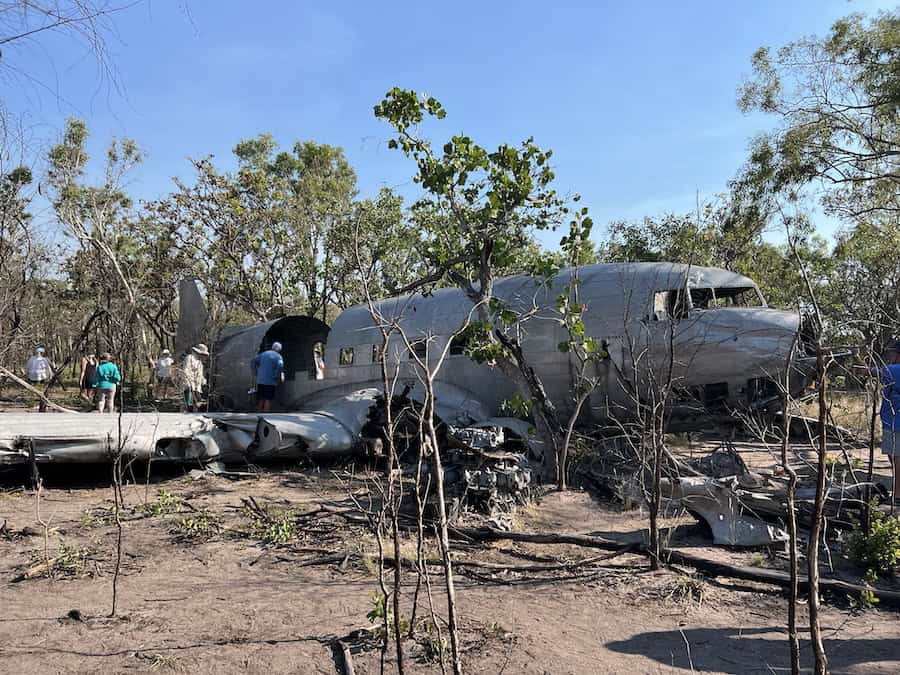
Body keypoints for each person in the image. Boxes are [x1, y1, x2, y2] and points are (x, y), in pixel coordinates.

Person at [252, 341, 284, 412]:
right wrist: (276, 375)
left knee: (261, 398)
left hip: (260, 380)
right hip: (271, 381)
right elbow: (280, 366)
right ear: (279, 349)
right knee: (268, 399)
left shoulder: (263, 354)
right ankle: (266, 416)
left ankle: (258, 415)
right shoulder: (278, 357)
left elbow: (253, 361)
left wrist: (256, 372)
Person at [24, 346, 53, 412]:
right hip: (42, 377)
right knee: (42, 388)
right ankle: (41, 400)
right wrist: (50, 376)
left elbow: (27, 368)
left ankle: (38, 400)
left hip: (33, 377)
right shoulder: (45, 359)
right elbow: (49, 369)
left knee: (37, 388)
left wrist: (26, 375)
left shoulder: (32, 358)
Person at [182, 344, 208, 412]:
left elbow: (200, 374)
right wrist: (187, 382)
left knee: (198, 403)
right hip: (189, 385)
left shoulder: (199, 362)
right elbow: (186, 370)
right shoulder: (189, 358)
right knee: (189, 403)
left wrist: (203, 380)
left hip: (197, 387)